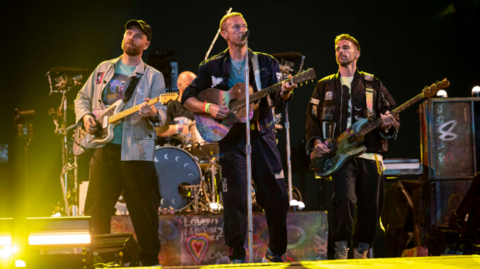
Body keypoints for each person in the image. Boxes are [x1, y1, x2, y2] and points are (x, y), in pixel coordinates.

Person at [182, 12, 297, 264]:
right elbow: (187, 98)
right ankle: (236, 254)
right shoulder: (210, 66)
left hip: (262, 134)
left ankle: (276, 252)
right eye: (236, 26)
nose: (242, 29)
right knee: (234, 199)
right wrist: (209, 108)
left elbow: (279, 100)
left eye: (244, 25)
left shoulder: (265, 63)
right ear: (224, 34)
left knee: (277, 196)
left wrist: (286, 92)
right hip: (230, 138)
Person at [74, 19, 166, 266]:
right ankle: (100, 260)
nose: (131, 38)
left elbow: (162, 112)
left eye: (138, 36)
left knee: (144, 213)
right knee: (96, 211)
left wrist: (153, 113)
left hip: (136, 154)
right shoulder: (104, 68)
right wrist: (85, 117)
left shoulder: (153, 76)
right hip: (103, 150)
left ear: (146, 43)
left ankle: (149, 261)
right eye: (128, 33)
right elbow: (82, 98)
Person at [305, 34, 400, 259]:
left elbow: (392, 113)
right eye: (337, 48)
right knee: (344, 199)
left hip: (370, 153)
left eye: (346, 48)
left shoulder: (373, 83)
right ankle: (341, 251)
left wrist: (388, 124)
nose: (340, 51)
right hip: (339, 155)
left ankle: (361, 250)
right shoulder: (323, 85)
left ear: (357, 53)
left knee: (371, 207)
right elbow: (311, 118)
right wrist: (316, 142)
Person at [156, 71, 196, 144]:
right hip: (171, 151)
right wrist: (180, 128)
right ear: (179, 85)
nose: (193, 89)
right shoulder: (170, 106)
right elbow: (158, 131)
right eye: (189, 85)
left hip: (194, 150)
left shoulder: (198, 107)